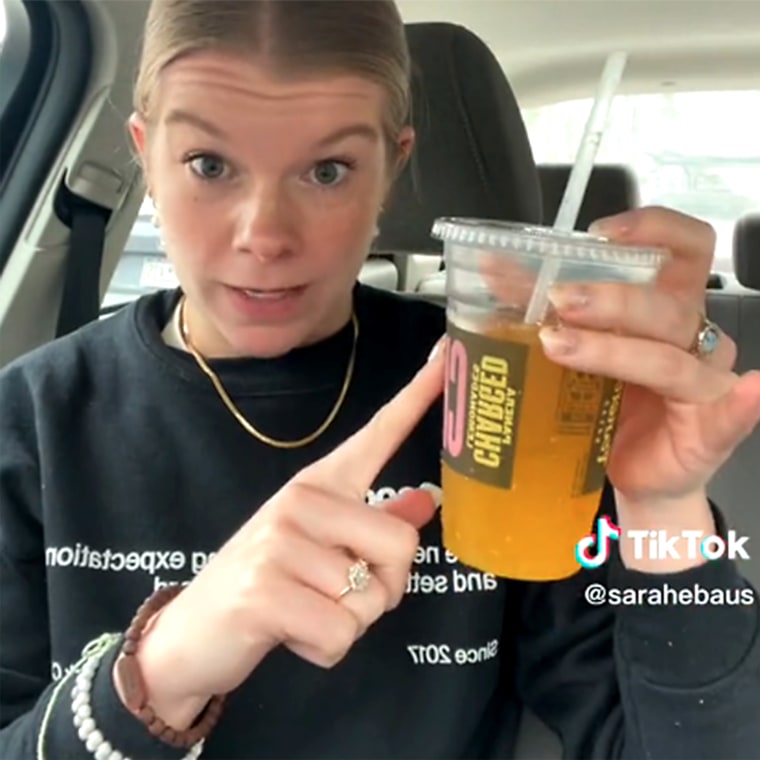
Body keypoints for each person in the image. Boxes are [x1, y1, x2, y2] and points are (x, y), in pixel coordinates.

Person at [1, 1, 759, 758]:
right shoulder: (31, 423)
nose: (264, 235)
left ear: (393, 167)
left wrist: (666, 514)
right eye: (209, 165)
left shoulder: (521, 407)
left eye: (327, 170)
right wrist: (158, 673)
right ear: (145, 155)